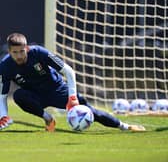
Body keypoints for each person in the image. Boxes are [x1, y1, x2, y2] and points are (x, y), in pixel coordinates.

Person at [0, 33, 146, 132]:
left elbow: (69, 71)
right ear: (9, 51)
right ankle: (48, 119)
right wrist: (3, 115)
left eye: (21, 51)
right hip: (35, 95)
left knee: (90, 112)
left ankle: (126, 127)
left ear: (26, 48)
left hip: (57, 90)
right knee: (19, 96)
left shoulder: (38, 52)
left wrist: (72, 97)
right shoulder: (5, 66)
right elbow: (2, 95)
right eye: (15, 52)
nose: (19, 56)